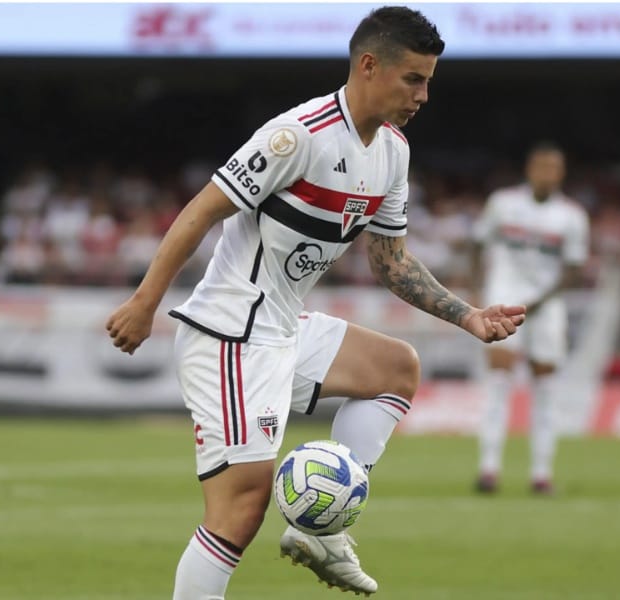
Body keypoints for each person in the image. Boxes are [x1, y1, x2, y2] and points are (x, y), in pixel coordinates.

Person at [106, 7, 526, 598]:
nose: (425, 95)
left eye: (430, 80)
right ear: (369, 65)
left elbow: (392, 263)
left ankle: (321, 530)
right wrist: (145, 302)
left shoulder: (393, 154)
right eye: (414, 79)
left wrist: (468, 315)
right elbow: (202, 209)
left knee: (396, 369)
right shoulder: (297, 135)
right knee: (240, 509)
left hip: (281, 328)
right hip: (230, 331)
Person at [471, 142, 589, 496]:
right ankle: (488, 469)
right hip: (502, 299)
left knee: (546, 389)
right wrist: (479, 292)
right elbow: (477, 244)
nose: (546, 174)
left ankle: (541, 473)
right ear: (530, 169)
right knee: (498, 383)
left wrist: (540, 302)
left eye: (554, 168)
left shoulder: (571, 216)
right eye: (541, 167)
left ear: (561, 174)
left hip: (546, 307)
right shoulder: (503, 203)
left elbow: (573, 269)